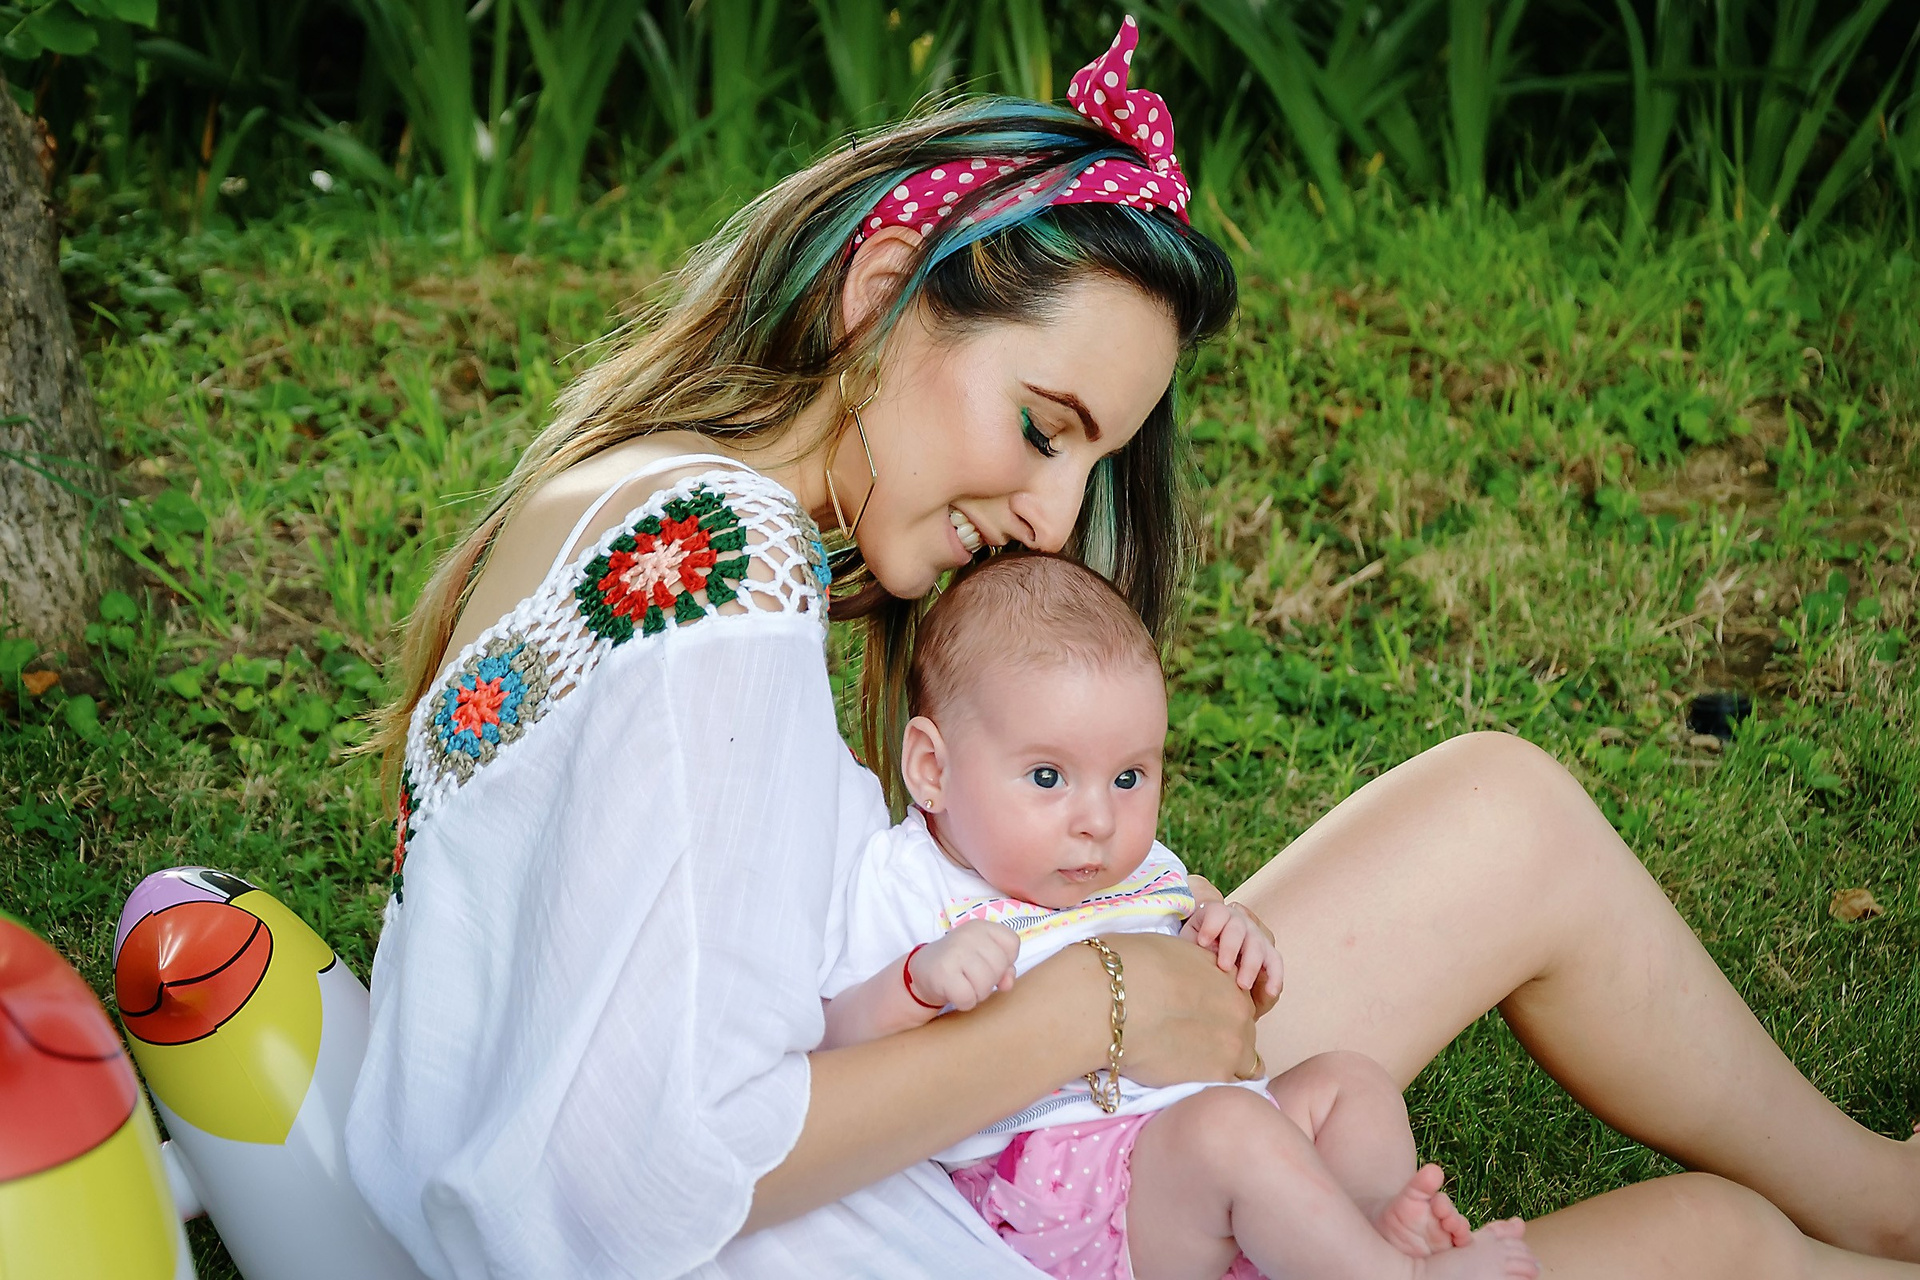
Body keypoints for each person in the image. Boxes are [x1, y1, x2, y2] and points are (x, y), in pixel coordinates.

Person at [344, 17, 1920, 1280]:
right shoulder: (725, 553)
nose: (1051, 515)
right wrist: (1090, 1006)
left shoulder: (621, 509)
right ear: (882, 295)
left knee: (1502, 814)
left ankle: (1877, 1196)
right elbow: (633, 1179)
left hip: (958, 1161)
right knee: (1716, 1243)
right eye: (1045, 426)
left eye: (1093, 460)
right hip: (928, 1229)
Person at [819, 551, 1539, 1280]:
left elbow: (1206, 960)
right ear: (933, 769)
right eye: (1047, 776)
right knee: (1230, 1132)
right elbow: (833, 1046)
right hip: (1060, 1187)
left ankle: (1370, 1222)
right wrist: (917, 982)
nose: (1099, 819)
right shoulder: (909, 882)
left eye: (1129, 776)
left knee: (1349, 1083)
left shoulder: (1145, 872)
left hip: (1196, 1142)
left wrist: (1235, 939)